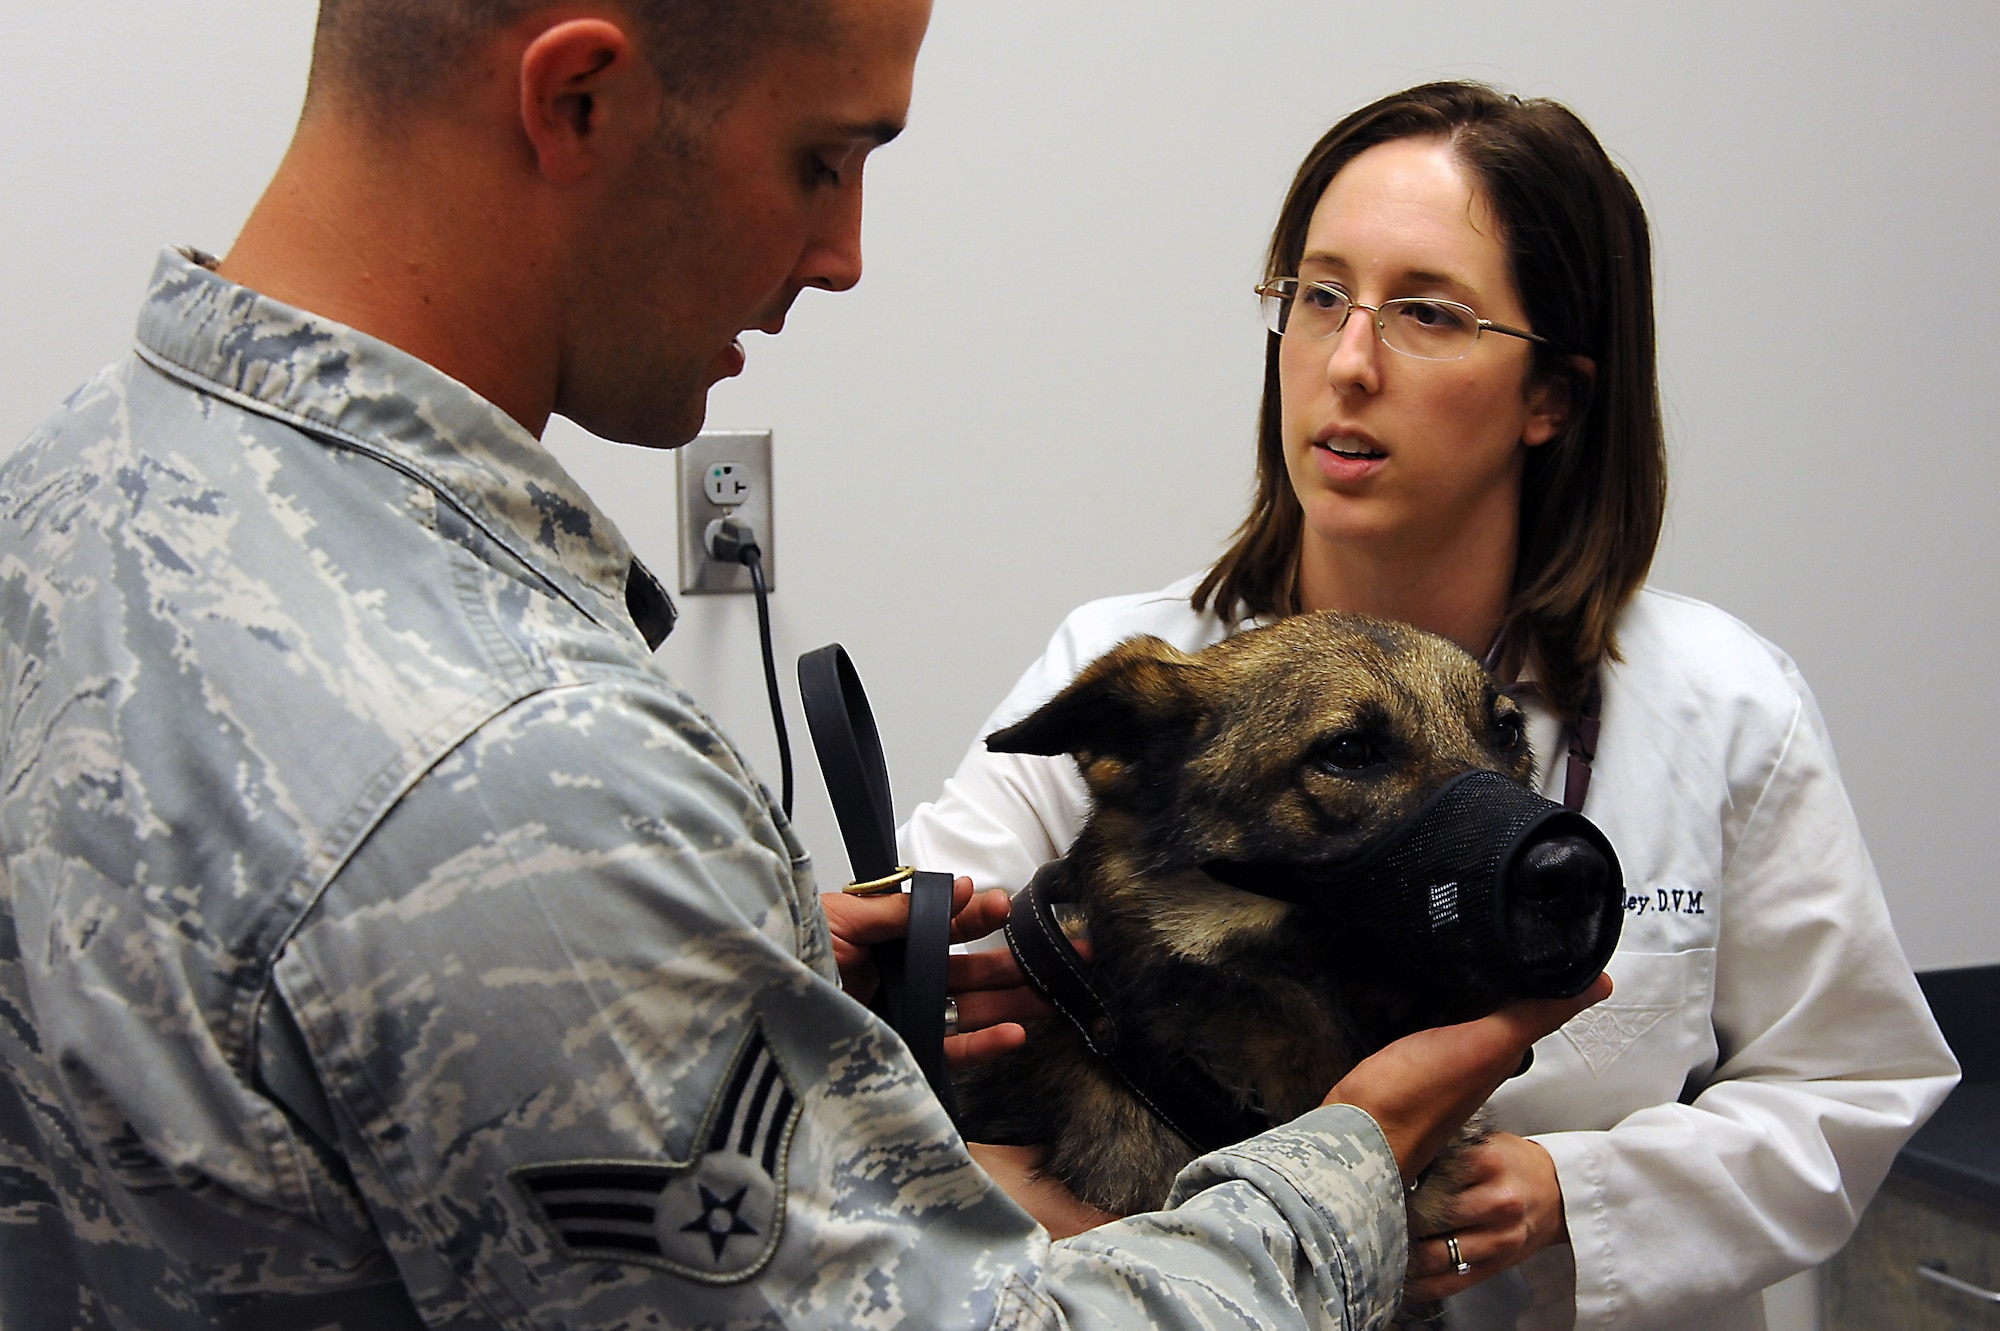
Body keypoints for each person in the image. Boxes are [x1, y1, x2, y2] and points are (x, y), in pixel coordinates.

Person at [0, 10, 1608, 1329]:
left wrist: (710, 955)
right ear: (580, 97)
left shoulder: (63, 493)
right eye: (821, 159)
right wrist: (1351, 1155)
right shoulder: (521, 776)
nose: (842, 254)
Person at [902, 82, 1960, 1331]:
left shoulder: (1718, 705)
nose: (1348, 361)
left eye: (1425, 312)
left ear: (1550, 396)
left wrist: (1578, 1190)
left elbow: (1851, 1081)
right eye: (1317, 295)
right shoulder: (1137, 676)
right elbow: (914, 1011)